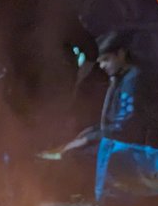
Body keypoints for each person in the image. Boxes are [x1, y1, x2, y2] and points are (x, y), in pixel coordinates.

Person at [43, 29, 150, 160]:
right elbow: (110, 123)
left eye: (106, 59)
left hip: (128, 149)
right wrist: (89, 133)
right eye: (100, 62)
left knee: (73, 156)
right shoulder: (119, 79)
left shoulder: (133, 81)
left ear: (121, 54)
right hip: (114, 141)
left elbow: (124, 127)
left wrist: (88, 139)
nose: (103, 66)